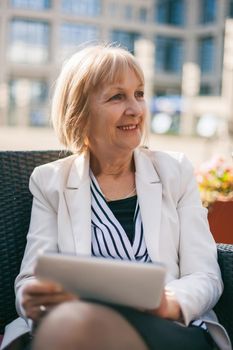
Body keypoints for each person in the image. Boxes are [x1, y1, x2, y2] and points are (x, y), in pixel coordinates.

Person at [1, 44, 231, 350]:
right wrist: (33, 298)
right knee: (72, 323)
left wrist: (168, 303)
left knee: (71, 326)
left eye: (139, 94)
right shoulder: (50, 182)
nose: (136, 109)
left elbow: (204, 274)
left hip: (170, 327)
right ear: (80, 112)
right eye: (117, 96)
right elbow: (31, 277)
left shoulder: (174, 171)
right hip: (77, 324)